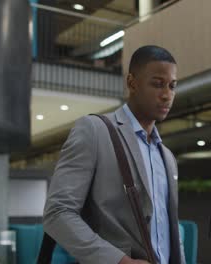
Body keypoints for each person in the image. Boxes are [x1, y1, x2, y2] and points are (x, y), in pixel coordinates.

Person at [43, 45, 185, 264]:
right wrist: (119, 261)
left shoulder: (167, 157)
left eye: (172, 86)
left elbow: (169, 231)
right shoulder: (94, 131)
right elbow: (58, 213)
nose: (167, 95)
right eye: (157, 84)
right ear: (132, 83)